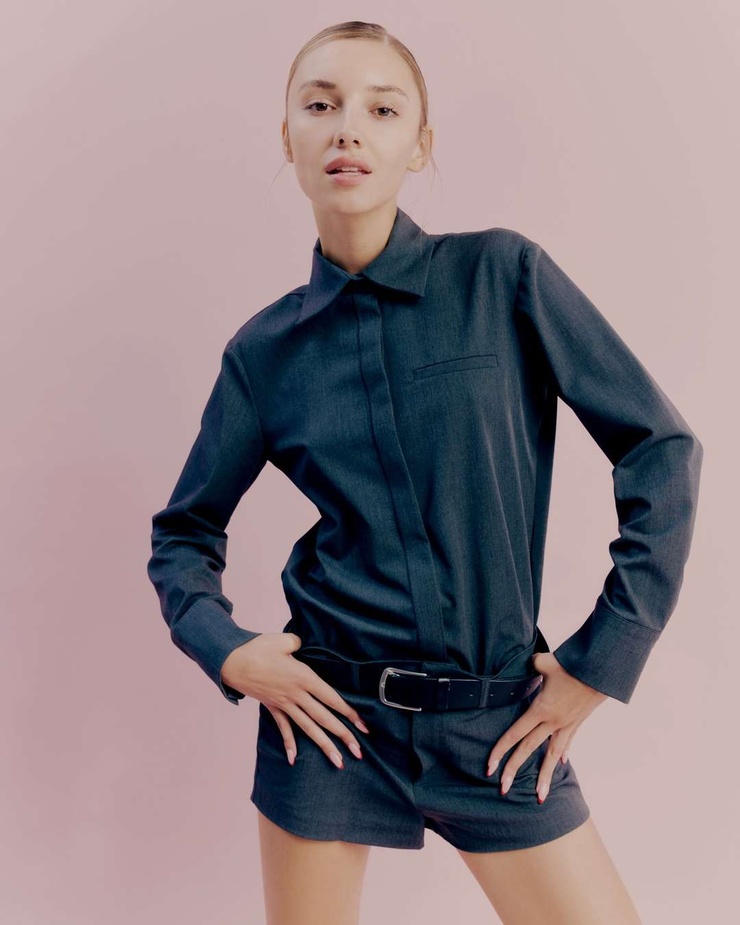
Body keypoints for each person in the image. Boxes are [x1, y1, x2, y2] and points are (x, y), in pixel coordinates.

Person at [146, 20, 703, 925]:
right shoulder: (263, 353)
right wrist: (229, 649)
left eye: (381, 109)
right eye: (320, 105)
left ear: (420, 144)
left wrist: (604, 657)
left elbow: (662, 448)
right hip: (327, 723)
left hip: (498, 721)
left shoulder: (502, 276)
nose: (347, 128)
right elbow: (184, 532)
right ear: (287, 138)